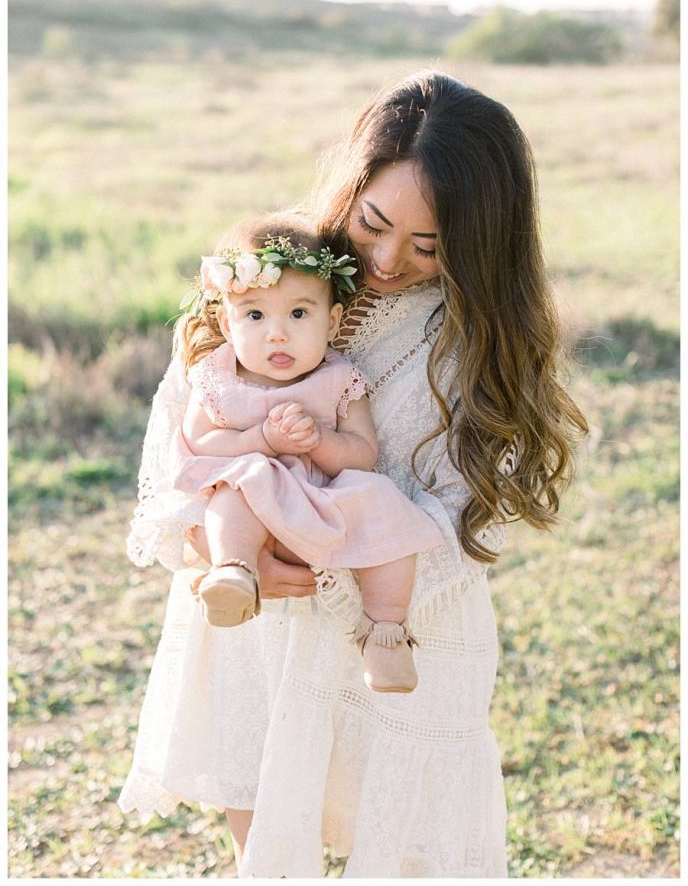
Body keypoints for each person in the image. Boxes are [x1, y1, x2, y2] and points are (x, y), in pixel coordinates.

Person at [119, 70, 587, 877]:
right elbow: (179, 427)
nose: (385, 258)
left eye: (429, 246)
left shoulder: (474, 345)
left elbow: (472, 512)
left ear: (478, 242)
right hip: (257, 618)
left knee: (405, 839)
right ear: (354, 184)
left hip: (401, 634)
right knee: (265, 817)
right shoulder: (274, 270)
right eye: (373, 223)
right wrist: (217, 541)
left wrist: (340, 563)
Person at [171, 217, 445, 691]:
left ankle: (385, 634)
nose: (277, 334)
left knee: (384, 505)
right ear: (225, 322)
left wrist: (319, 442)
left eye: (298, 314)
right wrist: (264, 442)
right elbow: (201, 445)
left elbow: (362, 452)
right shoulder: (217, 378)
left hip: (325, 495)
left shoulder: (340, 378)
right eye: (255, 316)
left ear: (333, 321)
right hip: (256, 501)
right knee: (237, 488)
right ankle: (234, 572)